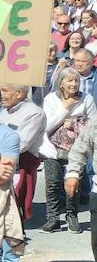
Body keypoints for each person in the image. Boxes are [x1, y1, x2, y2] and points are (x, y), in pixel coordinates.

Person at [45, 67, 95, 232]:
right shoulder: (51, 99)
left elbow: (93, 124)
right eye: (70, 80)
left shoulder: (86, 99)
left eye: (76, 81)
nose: (74, 84)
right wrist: (65, 109)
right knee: (52, 183)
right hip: (52, 148)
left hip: (76, 150)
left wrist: (76, 123)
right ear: (61, 83)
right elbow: (46, 127)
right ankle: (53, 219)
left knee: (74, 183)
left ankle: (71, 216)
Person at [0, 83, 43, 220]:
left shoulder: (34, 112)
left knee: (13, 212)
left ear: (19, 93)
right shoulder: (2, 111)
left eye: (4, 90)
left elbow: (21, 144)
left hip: (19, 166)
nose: (0, 95)